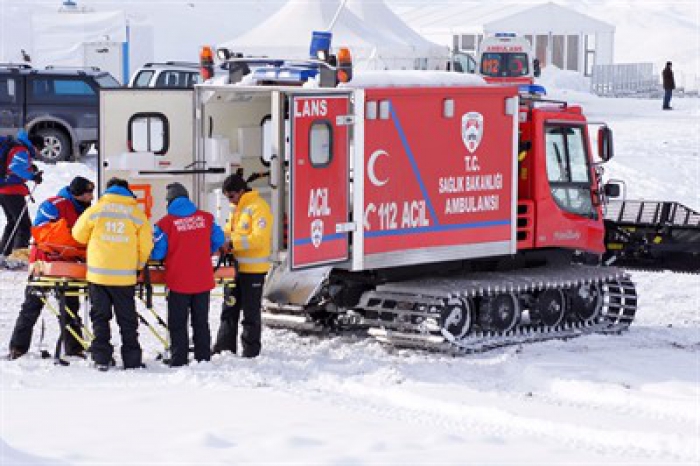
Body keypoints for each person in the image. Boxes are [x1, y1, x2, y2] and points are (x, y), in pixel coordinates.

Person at [7, 176, 94, 360]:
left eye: (91, 193)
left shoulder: (87, 210)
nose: (90, 197)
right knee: (32, 305)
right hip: (44, 262)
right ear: (76, 193)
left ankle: (74, 347)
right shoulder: (53, 205)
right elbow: (43, 233)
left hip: (69, 263)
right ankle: (18, 348)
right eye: (87, 194)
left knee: (70, 307)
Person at [72, 178, 153, 371]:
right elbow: (147, 245)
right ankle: (132, 359)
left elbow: (78, 235)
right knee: (127, 319)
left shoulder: (97, 210)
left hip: (98, 276)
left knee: (100, 317)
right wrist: (139, 265)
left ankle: (101, 358)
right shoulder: (136, 214)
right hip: (124, 277)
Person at [151, 183, 225, 367]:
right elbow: (219, 239)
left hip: (178, 281)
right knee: (201, 322)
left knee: (178, 323)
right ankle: (203, 358)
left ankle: (179, 359)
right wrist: (204, 250)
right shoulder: (206, 218)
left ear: (169, 202)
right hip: (202, 280)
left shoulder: (165, 223)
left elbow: (158, 253)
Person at [213, 173, 272, 358]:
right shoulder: (237, 209)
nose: (229, 201)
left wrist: (231, 244)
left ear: (240, 191)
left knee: (250, 313)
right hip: (235, 269)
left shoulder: (258, 208)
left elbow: (258, 239)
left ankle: (251, 350)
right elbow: (230, 232)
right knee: (229, 308)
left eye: (231, 196)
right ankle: (224, 348)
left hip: (253, 271)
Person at [0, 130, 44, 257]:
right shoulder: (22, 150)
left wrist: (31, 169)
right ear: (35, 146)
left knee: (13, 222)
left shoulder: (16, 147)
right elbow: (15, 168)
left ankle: (4, 253)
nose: (39, 153)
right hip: (11, 191)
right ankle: (18, 257)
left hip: (3, 190)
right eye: (39, 149)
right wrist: (32, 176)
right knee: (24, 225)